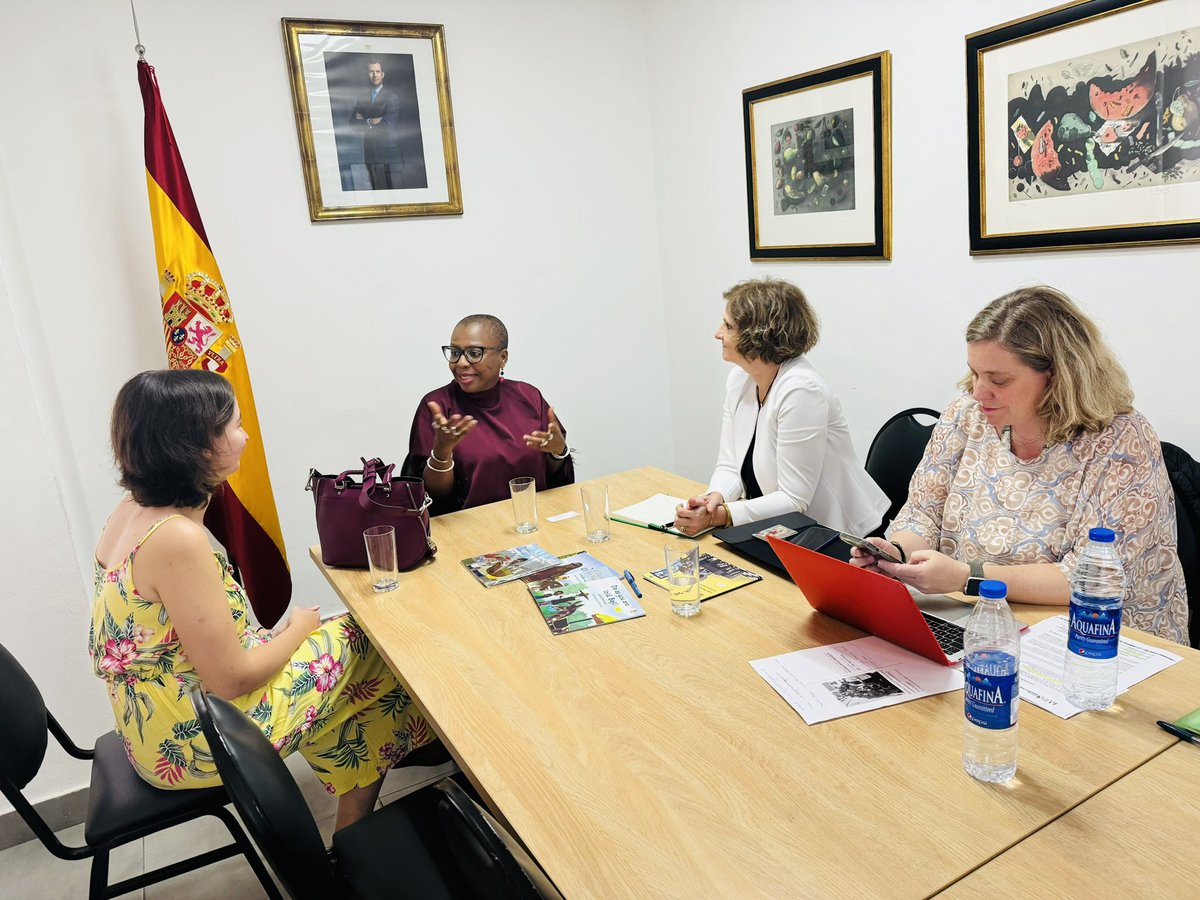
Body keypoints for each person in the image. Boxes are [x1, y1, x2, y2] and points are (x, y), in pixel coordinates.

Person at [90, 370, 433, 831]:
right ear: (196, 446)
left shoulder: (129, 511)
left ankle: (356, 839)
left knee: (350, 688)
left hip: (150, 722)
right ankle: (463, 754)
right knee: (366, 636)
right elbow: (232, 679)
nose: (245, 436)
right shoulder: (176, 538)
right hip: (196, 738)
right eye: (233, 426)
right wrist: (298, 630)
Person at [850, 285, 1187, 644]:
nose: (979, 392)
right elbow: (924, 513)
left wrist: (968, 577)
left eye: (999, 380)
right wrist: (898, 552)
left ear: (1058, 376)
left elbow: (1091, 577)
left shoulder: (1120, 439)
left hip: (1099, 638)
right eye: (975, 373)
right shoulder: (967, 415)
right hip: (982, 620)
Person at [675, 278, 888, 537]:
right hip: (784, 530)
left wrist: (723, 516)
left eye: (728, 326)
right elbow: (730, 466)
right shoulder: (740, 380)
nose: (718, 333)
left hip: (840, 536)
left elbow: (794, 499)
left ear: (759, 335)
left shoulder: (801, 390)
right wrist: (712, 500)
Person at [402, 314, 574, 514]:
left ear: (503, 358)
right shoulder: (437, 406)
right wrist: (442, 453)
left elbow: (556, 481)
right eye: (455, 352)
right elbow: (432, 498)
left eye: (474, 353)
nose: (461, 363)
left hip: (532, 520)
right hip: (470, 531)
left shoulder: (528, 396)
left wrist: (557, 452)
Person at [348, 59, 404, 189]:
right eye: (371, 71)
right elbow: (352, 123)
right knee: (375, 191)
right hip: (369, 153)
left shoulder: (392, 97)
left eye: (377, 71)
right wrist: (371, 121)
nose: (375, 75)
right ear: (367, 74)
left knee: (393, 193)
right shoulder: (363, 98)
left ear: (382, 74)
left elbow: (386, 126)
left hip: (388, 155)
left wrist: (364, 121)